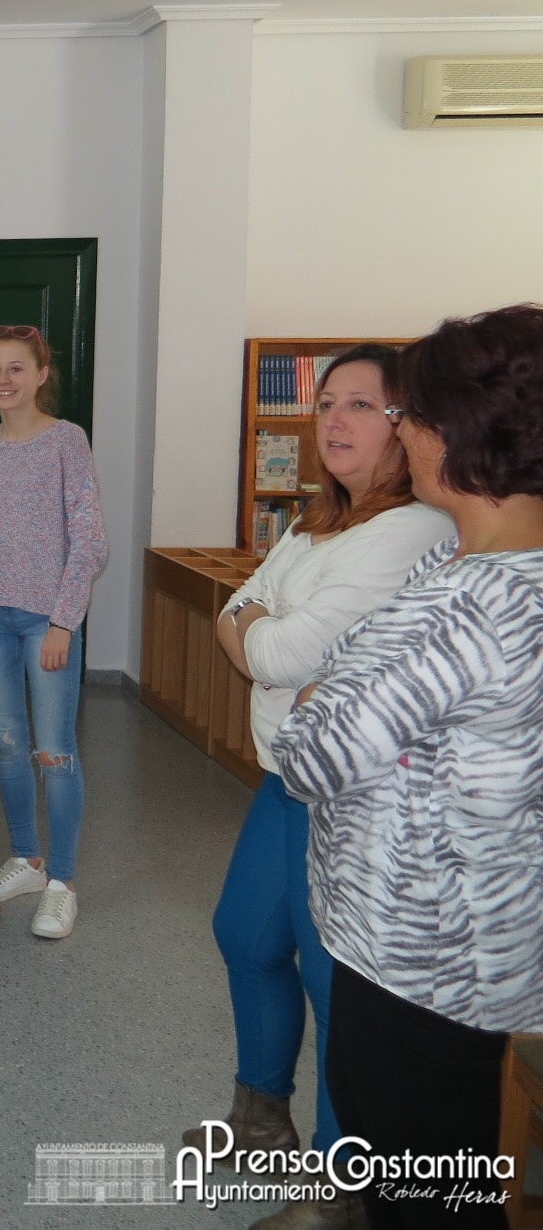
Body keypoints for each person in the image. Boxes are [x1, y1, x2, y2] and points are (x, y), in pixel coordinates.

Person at [273, 305, 543, 1230]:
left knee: (422, 1191)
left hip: (418, 954)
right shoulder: (499, 569)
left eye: (411, 415)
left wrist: (316, 699)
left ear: (461, 432)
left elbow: (313, 755)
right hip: (474, 940)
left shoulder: (469, 604)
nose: (404, 433)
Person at [183, 346, 454, 1207]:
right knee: (245, 936)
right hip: (284, 775)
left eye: (361, 405)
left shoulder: (412, 530)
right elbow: (238, 613)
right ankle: (261, 1121)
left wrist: (262, 631)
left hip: (354, 795)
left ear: (405, 426)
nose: (334, 420)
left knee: (336, 982)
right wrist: (262, 631)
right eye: (327, 402)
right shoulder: (317, 520)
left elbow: (276, 650)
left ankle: (340, 1188)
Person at [0, 325, 107, 941]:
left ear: (41, 374)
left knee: (55, 750)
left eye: (17, 368)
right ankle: (26, 859)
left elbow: (90, 541)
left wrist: (62, 622)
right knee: (5, 742)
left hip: (45, 619)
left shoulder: (66, 440)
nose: (4, 379)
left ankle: (62, 882)